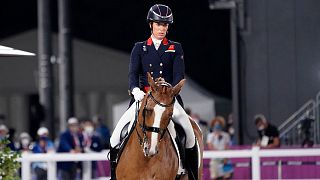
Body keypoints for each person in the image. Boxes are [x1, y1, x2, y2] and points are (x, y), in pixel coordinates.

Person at [109, 4, 198, 180]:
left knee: (189, 133)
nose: (162, 29)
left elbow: (179, 75)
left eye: (165, 25)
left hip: (167, 99)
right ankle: (114, 176)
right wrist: (135, 90)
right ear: (151, 25)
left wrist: (168, 90)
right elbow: (133, 73)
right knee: (115, 136)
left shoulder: (175, 48)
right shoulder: (140, 48)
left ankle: (190, 174)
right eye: (158, 24)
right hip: (144, 97)